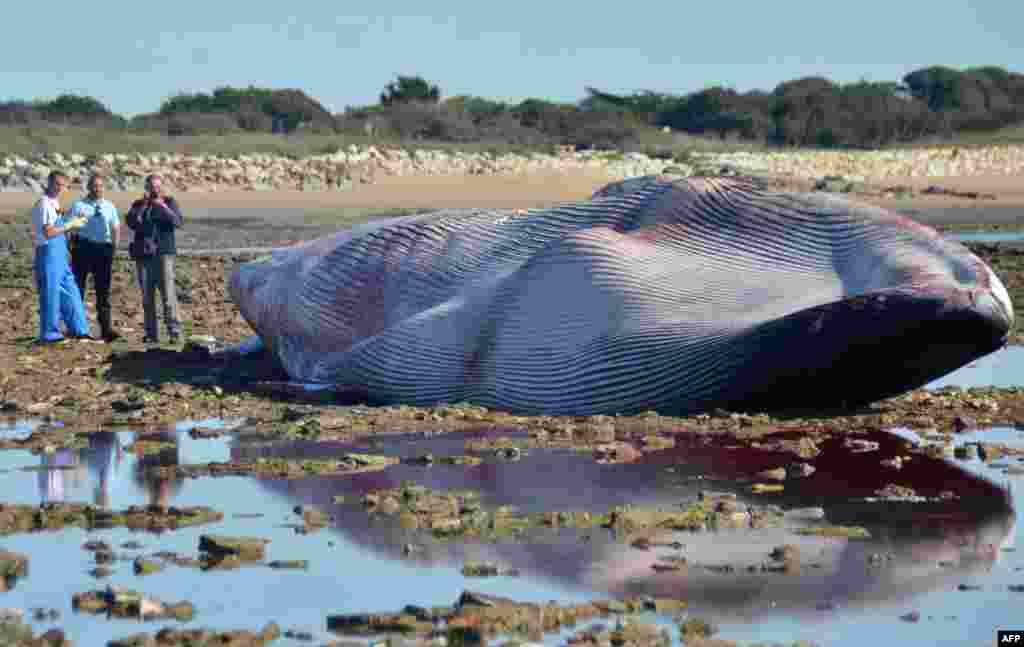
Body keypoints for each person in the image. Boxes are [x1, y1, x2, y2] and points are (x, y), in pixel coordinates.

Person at [30, 171, 91, 344]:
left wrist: (72, 221)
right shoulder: (44, 203)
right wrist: (71, 224)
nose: (59, 188)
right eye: (56, 184)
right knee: (51, 293)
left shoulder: (54, 203)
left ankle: (80, 330)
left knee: (70, 290)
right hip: (48, 252)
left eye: (63, 185)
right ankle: (50, 335)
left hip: (60, 253)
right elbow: (48, 232)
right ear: (49, 183)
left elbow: (59, 224)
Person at [125, 174, 184, 344]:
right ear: (146, 188)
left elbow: (178, 222)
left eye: (157, 187)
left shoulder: (170, 201)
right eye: (151, 187)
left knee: (168, 295)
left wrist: (163, 207)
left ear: (162, 187)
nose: (154, 190)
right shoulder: (138, 204)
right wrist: (144, 206)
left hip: (164, 254)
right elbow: (131, 222)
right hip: (143, 256)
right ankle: (151, 334)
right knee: (147, 298)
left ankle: (174, 332)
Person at [68, 173, 121, 342]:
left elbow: (115, 227)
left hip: (103, 249)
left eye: (100, 186)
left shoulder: (109, 206)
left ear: (103, 187)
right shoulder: (79, 205)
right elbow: (69, 227)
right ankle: (77, 328)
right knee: (78, 289)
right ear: (89, 187)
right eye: (94, 186)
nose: (97, 189)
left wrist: (114, 247)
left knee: (103, 291)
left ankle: (106, 329)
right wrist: (71, 247)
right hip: (83, 247)